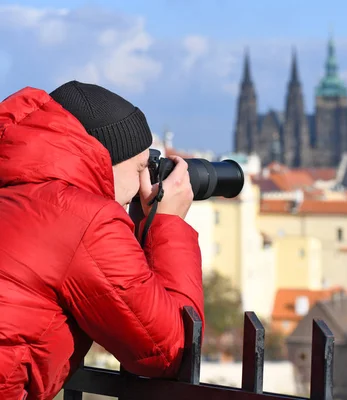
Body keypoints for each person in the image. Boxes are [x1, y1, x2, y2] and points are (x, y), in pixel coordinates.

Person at [0, 81, 204, 400]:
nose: (143, 183)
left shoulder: (16, 194)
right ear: (104, 159)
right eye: (140, 167)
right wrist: (169, 222)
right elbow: (171, 349)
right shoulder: (83, 218)